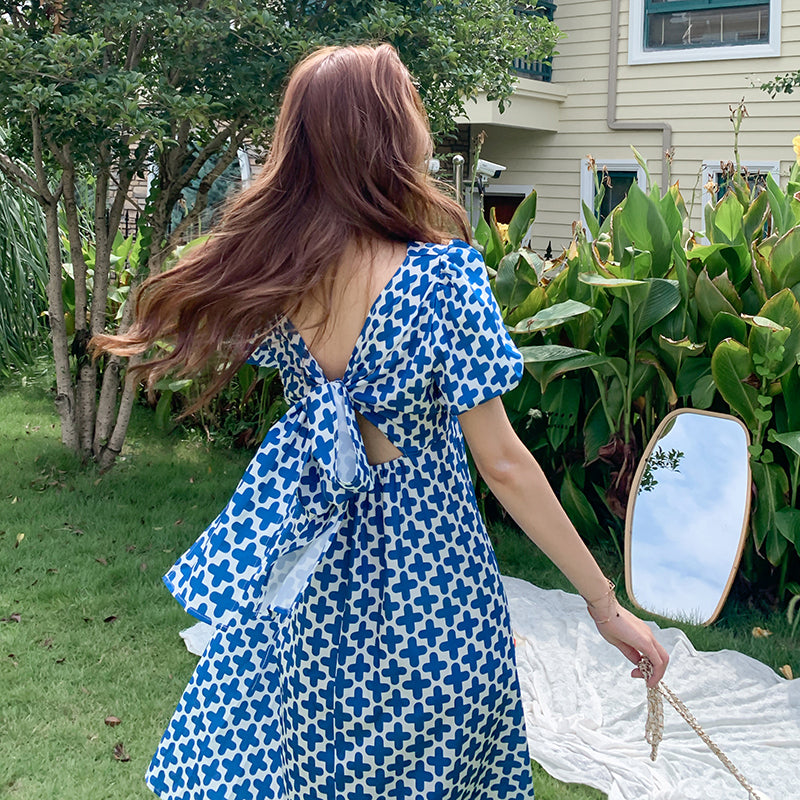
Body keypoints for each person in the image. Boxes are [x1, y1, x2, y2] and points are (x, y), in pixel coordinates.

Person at [93, 43, 668, 800]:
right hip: (432, 594)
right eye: (413, 109)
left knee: (317, 773)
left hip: (312, 594)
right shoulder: (443, 278)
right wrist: (603, 604)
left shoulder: (284, 277)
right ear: (388, 133)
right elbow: (502, 464)